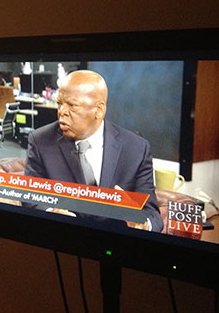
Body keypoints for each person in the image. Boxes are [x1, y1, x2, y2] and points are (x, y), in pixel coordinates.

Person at [24, 70, 163, 232]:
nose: (62, 111)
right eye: (59, 103)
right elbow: (31, 199)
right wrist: (53, 213)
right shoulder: (40, 141)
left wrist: (143, 223)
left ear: (99, 110)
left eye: (72, 105)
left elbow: (152, 215)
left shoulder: (136, 149)